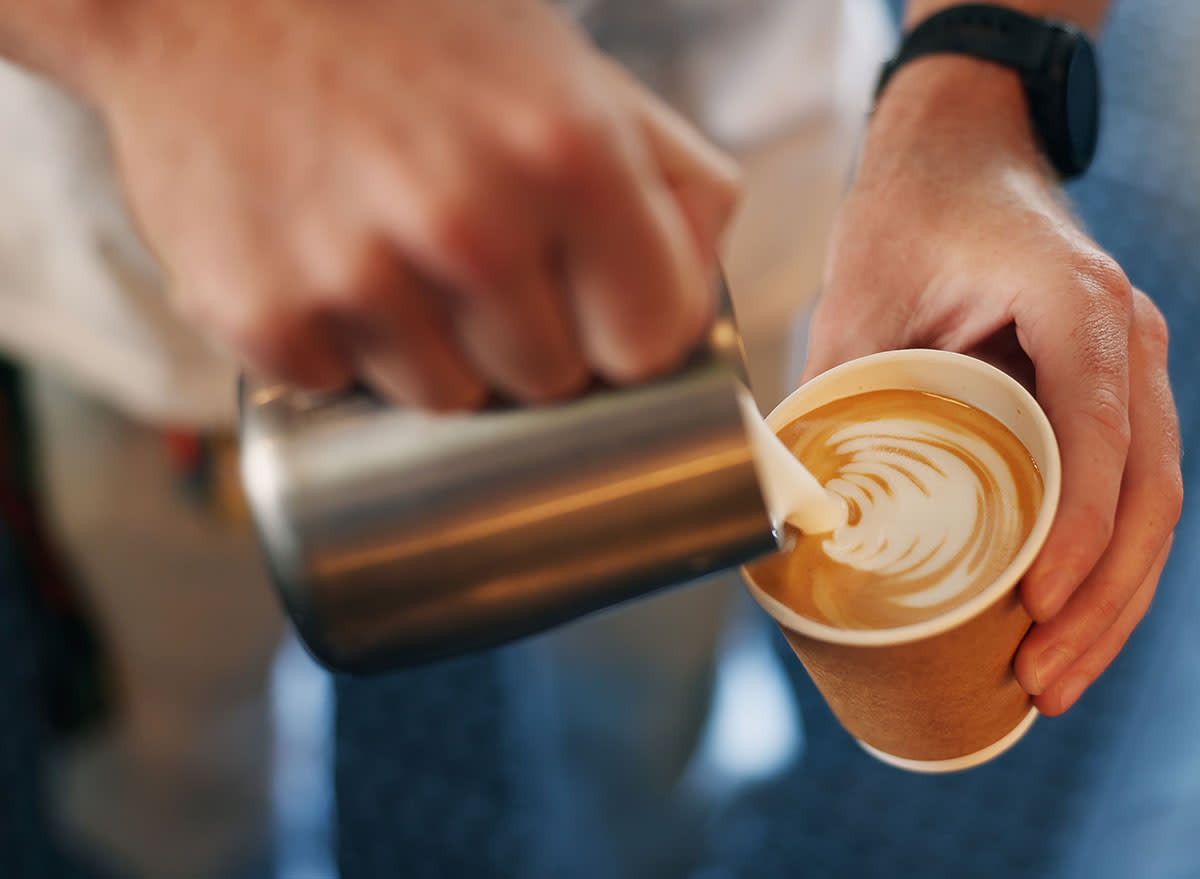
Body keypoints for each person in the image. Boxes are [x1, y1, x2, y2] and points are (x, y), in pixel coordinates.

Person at [0, 0, 1181, 875]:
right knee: (184, 772)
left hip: (747, 207)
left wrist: (977, 84)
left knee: (660, 716)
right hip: (157, 299)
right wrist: (165, 35)